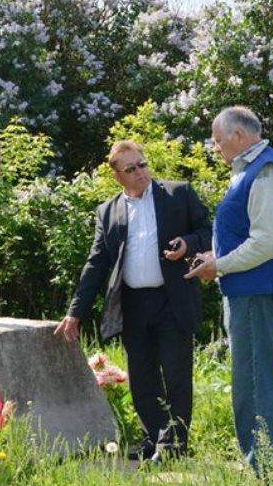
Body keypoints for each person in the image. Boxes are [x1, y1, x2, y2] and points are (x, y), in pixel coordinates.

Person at [54, 140, 212, 464]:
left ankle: (173, 447)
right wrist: (75, 313)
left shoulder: (178, 194)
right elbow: (95, 264)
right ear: (117, 176)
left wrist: (188, 243)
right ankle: (152, 439)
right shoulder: (108, 211)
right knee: (141, 377)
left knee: (176, 374)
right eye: (131, 169)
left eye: (142, 164)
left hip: (173, 300)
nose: (141, 172)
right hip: (133, 304)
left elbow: (208, 231)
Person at [186, 106, 273, 470]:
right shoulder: (250, 170)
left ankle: (267, 472)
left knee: (255, 384)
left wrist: (220, 265)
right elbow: (251, 235)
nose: (215, 147)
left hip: (257, 292)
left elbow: (269, 242)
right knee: (251, 379)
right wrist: (214, 255)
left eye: (217, 139)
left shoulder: (266, 172)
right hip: (248, 290)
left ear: (239, 136)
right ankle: (261, 464)